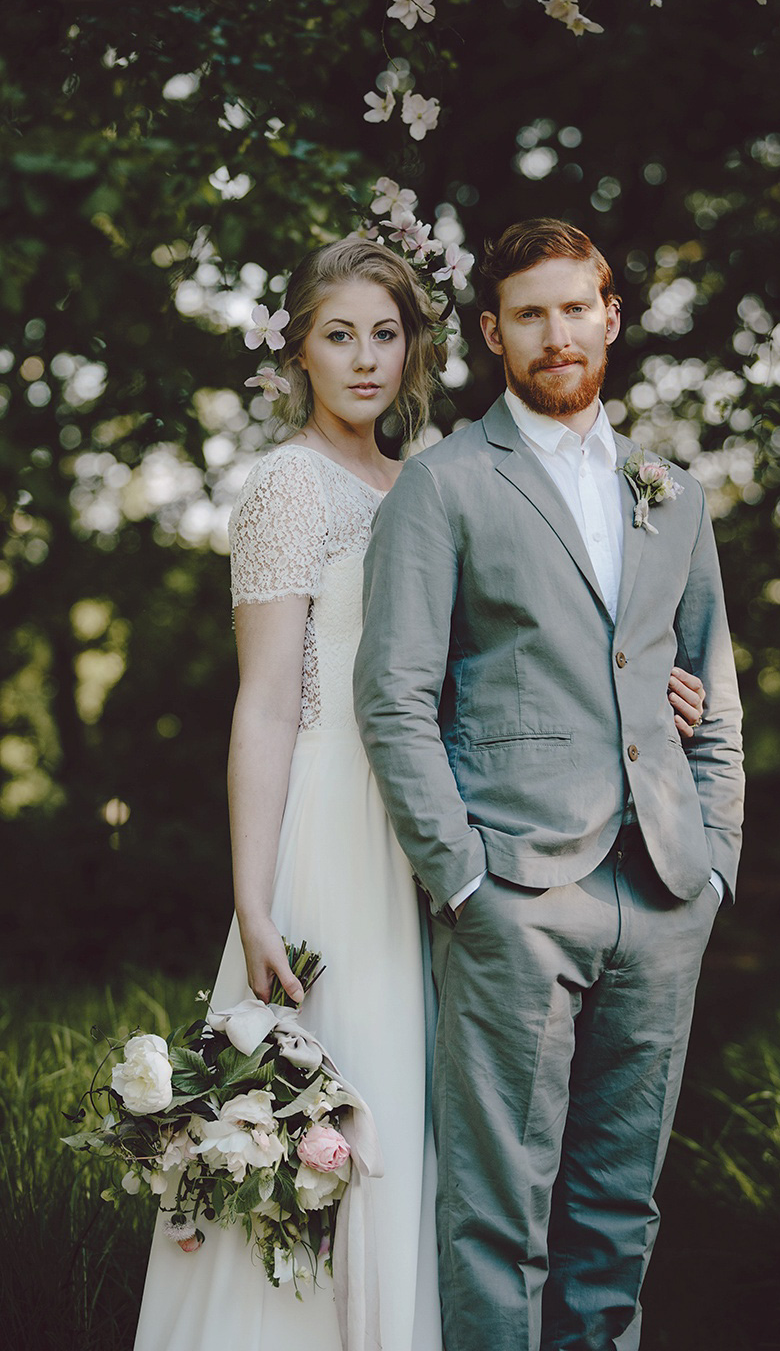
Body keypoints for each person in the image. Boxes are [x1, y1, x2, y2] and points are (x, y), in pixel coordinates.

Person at [133, 232, 707, 1351]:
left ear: (417, 347)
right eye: (338, 336)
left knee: (452, 1134)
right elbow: (263, 707)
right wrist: (255, 900)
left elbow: (522, 659)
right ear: (296, 350)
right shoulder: (286, 491)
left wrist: (651, 701)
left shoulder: (441, 478)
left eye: (385, 336)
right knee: (348, 1107)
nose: (364, 361)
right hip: (339, 828)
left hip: (456, 815)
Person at [354, 218, 745, 1351]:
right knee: (497, 1218)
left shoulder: (670, 489)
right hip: (517, 894)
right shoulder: (446, 487)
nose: (557, 332)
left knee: (619, 1215)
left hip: (666, 891)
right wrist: (463, 880)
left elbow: (709, 682)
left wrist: (715, 858)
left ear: (612, 317)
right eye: (530, 313)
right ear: (492, 333)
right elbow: (396, 695)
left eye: (577, 307)